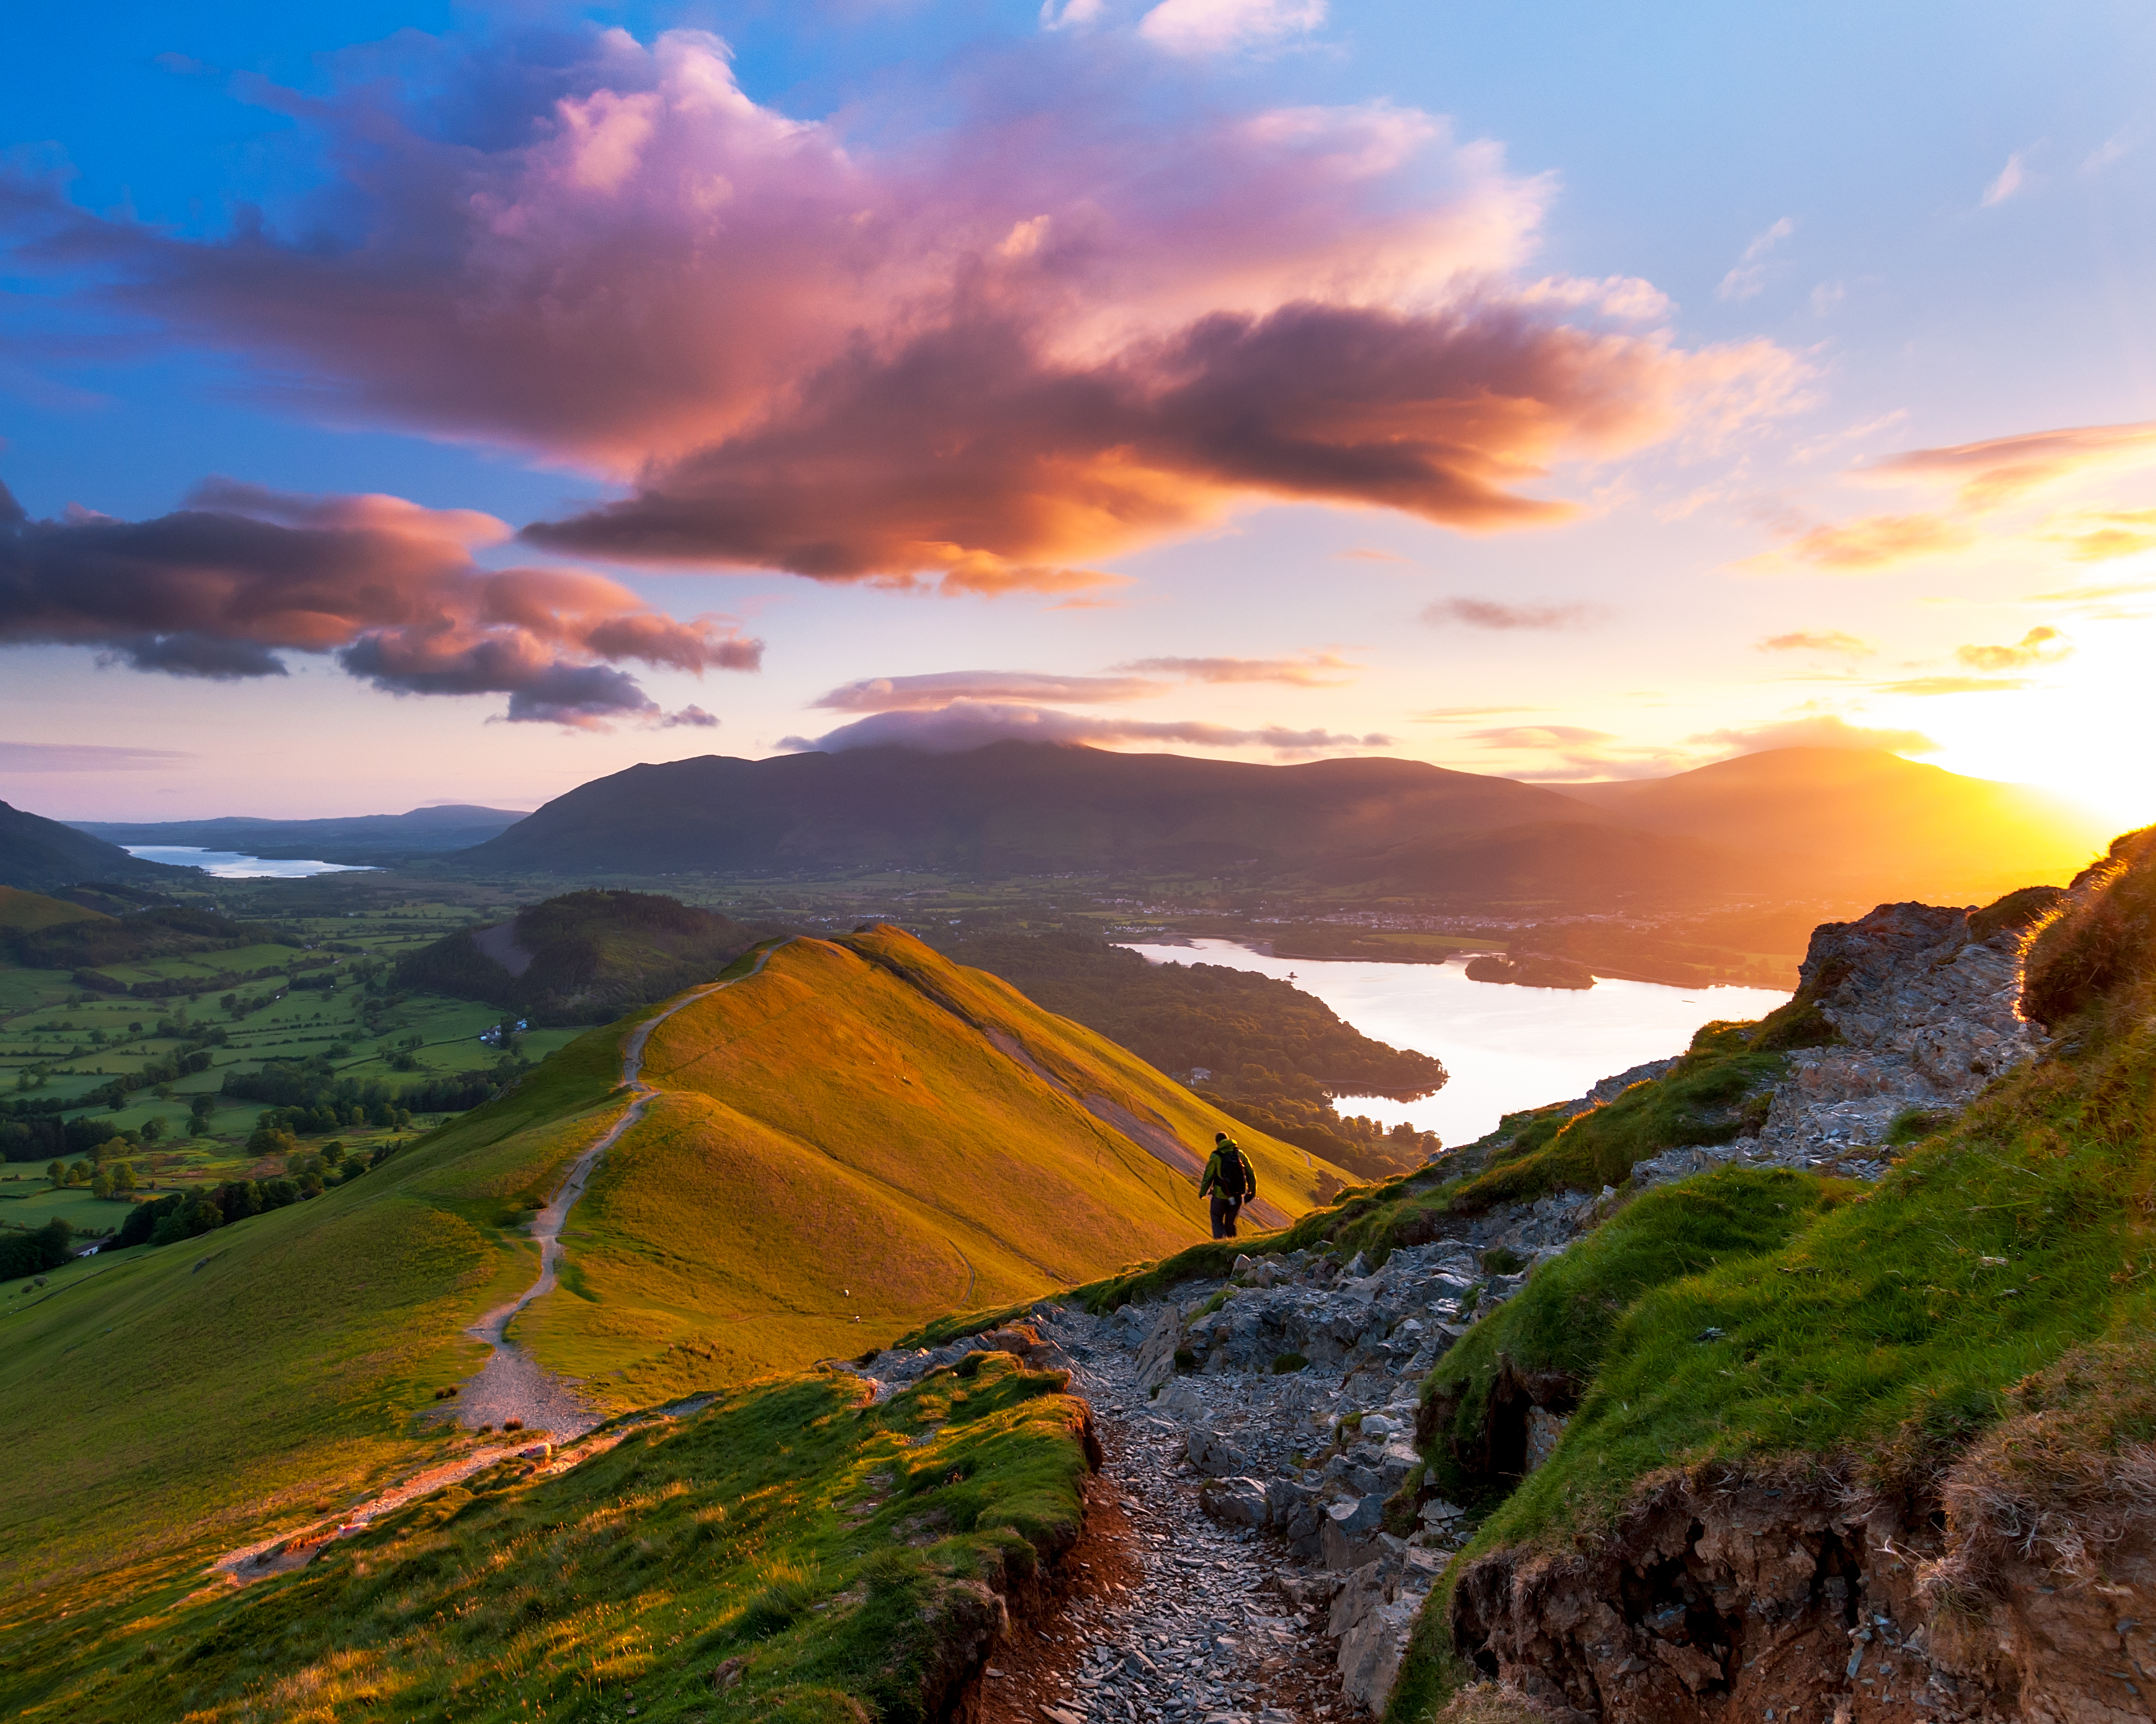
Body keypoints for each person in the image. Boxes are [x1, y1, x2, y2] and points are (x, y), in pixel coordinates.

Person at [1198, 1131, 1256, 1239]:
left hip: (1221, 1195)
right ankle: (1232, 1245)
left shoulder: (1216, 1156)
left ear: (1218, 1143)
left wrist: (1203, 1193)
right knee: (1231, 1223)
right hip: (1237, 1195)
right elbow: (1251, 1173)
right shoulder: (1240, 1154)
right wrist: (1252, 1192)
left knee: (1217, 1218)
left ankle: (1220, 1243)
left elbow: (1208, 1176)